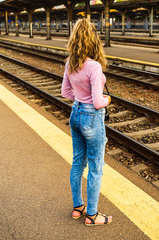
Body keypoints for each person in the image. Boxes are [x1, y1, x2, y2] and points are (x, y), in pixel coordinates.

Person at [61, 18, 112, 226]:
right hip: (92, 118)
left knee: (77, 164)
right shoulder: (94, 66)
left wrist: (81, 100)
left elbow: (65, 92)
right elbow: (99, 101)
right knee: (95, 167)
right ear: (93, 40)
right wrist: (109, 99)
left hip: (75, 114)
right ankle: (92, 215)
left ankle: (78, 208)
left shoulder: (70, 63)